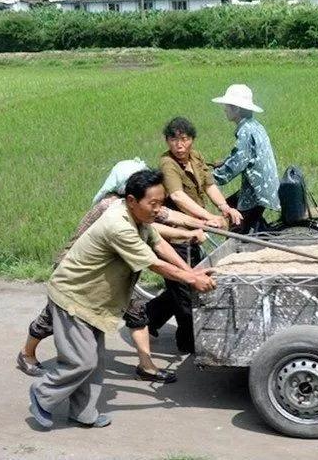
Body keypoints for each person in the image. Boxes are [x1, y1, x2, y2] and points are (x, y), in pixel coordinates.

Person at [28, 169, 216, 429]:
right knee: (81, 360)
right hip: (73, 295)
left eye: (160, 203)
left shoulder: (139, 219)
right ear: (131, 200)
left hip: (96, 299)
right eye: (153, 203)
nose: (158, 209)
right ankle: (42, 394)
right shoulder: (118, 225)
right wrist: (192, 279)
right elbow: (153, 262)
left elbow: (159, 244)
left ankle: (83, 413)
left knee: (95, 362)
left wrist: (190, 271)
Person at [145, 117, 241, 353]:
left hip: (194, 232)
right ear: (168, 141)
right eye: (174, 139)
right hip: (173, 236)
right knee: (186, 293)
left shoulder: (196, 158)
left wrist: (224, 208)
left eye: (184, 139)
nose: (179, 144)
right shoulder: (167, 163)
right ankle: (188, 343)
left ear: (192, 140)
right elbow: (178, 197)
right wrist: (207, 218)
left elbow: (209, 186)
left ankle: (146, 315)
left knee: (185, 284)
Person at [211, 84, 280, 233]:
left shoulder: (245, 131)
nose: (224, 109)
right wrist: (224, 161)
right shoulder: (254, 126)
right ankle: (262, 234)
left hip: (257, 190)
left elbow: (236, 164)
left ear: (236, 109)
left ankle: (238, 247)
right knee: (233, 205)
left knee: (236, 220)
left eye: (227, 106)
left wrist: (208, 178)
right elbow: (242, 155)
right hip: (265, 187)